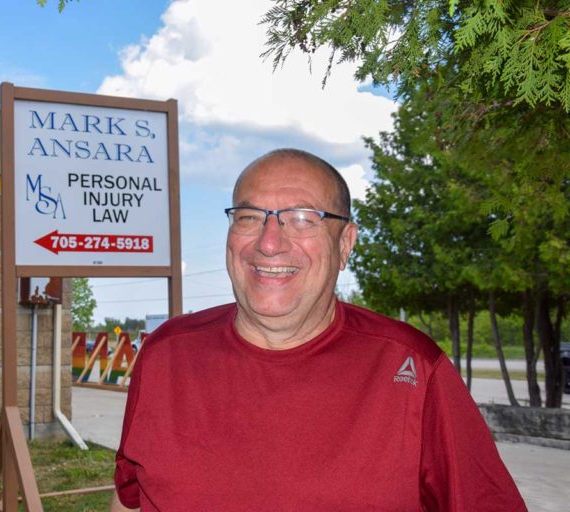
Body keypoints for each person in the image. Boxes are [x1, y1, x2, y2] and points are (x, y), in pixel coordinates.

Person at [110, 149, 526, 511]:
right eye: (249, 217)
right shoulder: (166, 354)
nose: (269, 242)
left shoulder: (411, 368)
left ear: (345, 243)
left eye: (304, 219)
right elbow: (131, 499)